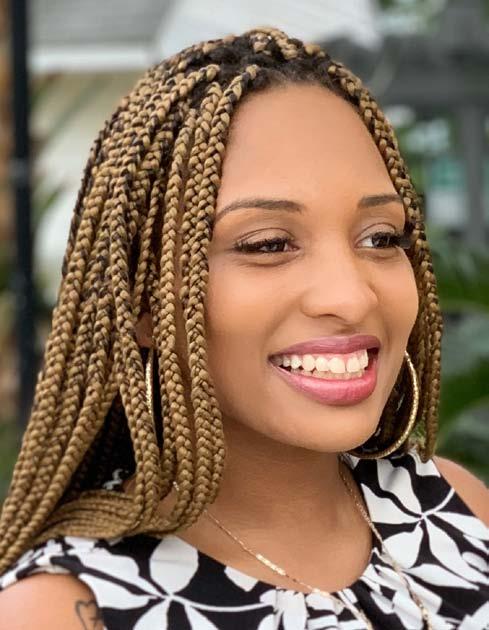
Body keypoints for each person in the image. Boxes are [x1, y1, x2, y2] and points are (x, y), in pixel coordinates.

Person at [0, 27, 487, 630]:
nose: (351, 295)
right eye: (269, 244)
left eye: (381, 238)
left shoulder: (458, 509)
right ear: (144, 304)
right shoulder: (65, 610)